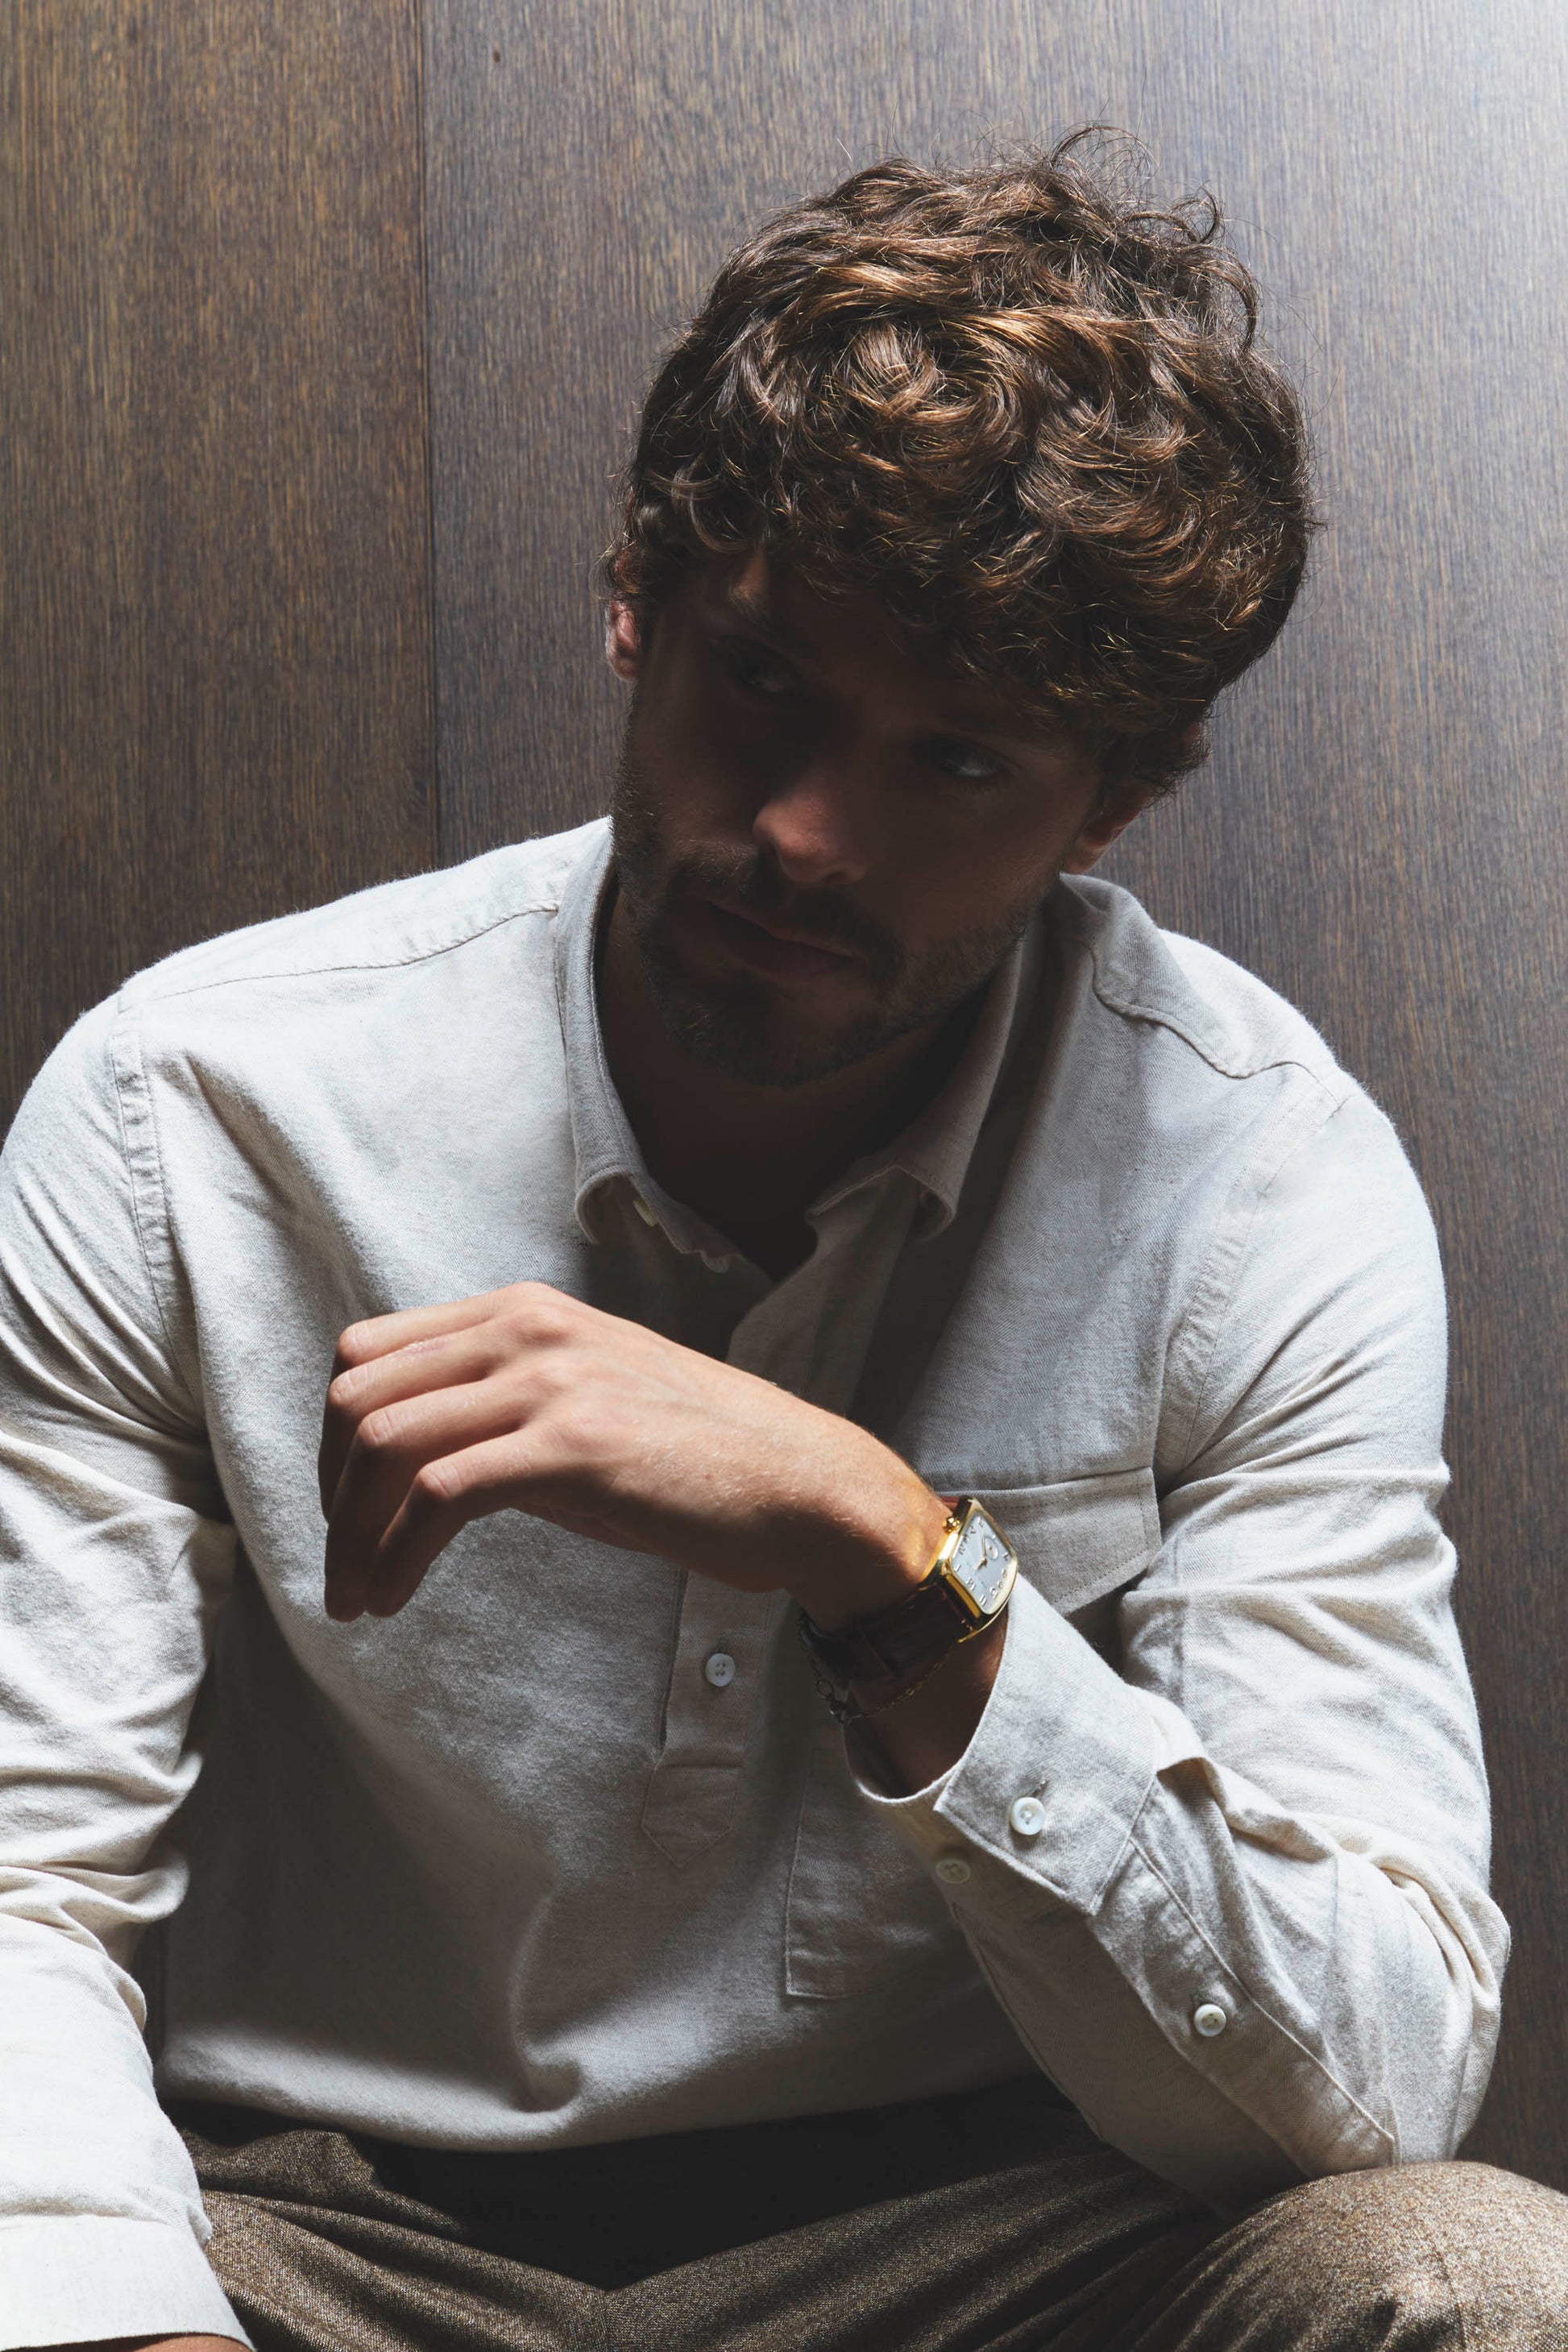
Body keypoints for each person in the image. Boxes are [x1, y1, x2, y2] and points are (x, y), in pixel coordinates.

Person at [2, 136, 1565, 2352]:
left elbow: (1371, 2076)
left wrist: (891, 1557)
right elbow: (22, 1889)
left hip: (979, 2250)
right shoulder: (198, 1113)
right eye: (764, 688)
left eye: (956, 764)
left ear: (1115, 796)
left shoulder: (1255, 1182)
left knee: (1478, 2287)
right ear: (636, 599)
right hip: (324, 2240)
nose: (806, 835)